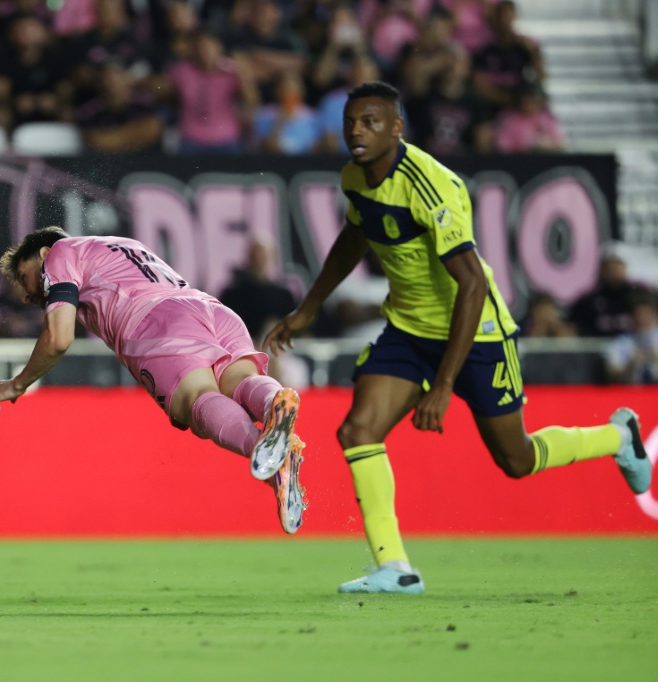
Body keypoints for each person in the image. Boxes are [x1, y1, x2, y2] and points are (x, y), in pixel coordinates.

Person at [262, 81, 652, 593]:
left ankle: (618, 438)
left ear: (397, 128)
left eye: (371, 121)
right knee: (358, 430)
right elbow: (355, 235)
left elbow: (470, 285)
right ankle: (394, 568)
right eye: (351, 121)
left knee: (517, 459)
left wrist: (443, 385)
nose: (357, 130)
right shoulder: (354, 177)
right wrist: (308, 308)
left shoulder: (432, 186)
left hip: (478, 332)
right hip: (408, 327)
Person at [0, 226, 306, 535]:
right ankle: (273, 405)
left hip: (157, 322)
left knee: (196, 400)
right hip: (211, 310)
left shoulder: (60, 253)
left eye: (24, 277)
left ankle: (269, 456)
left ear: (43, 253)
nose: (26, 294)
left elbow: (58, 338)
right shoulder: (123, 245)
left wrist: (17, 384)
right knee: (239, 381)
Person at [75, 62, 164, 153]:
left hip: (148, 161)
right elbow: (94, 141)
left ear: (127, 79)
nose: (111, 82)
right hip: (106, 163)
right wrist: (135, 134)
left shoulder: (146, 103)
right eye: (107, 78)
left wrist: (112, 138)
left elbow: (153, 129)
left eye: (116, 76)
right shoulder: (90, 110)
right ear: (99, 82)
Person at [570, 244, 649, 337]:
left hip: (638, 350)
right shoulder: (588, 301)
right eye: (608, 265)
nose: (613, 269)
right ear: (601, 269)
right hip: (597, 350)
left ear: (625, 267)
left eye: (617, 264)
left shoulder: (642, 297)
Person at [605, 290, 658, 385]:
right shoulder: (619, 343)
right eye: (639, 314)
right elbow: (612, 377)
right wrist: (632, 364)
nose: (643, 319)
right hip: (631, 393)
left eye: (647, 314)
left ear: (655, 315)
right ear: (631, 317)